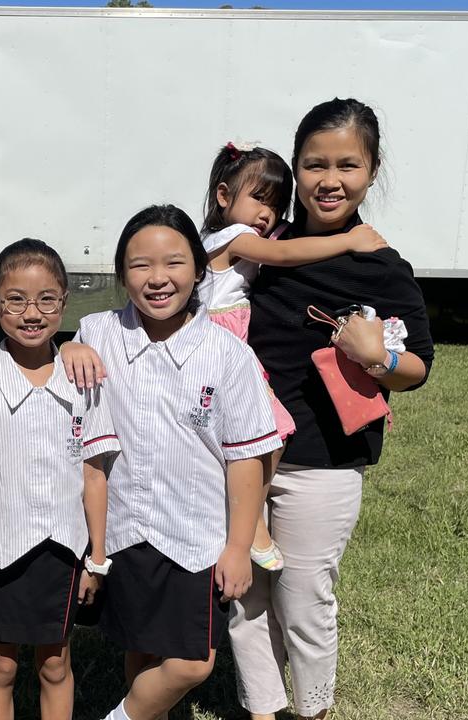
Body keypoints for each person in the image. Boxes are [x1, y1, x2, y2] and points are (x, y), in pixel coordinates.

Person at [229, 98, 434, 720]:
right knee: (242, 595)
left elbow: (419, 366)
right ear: (297, 168)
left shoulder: (382, 265)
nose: (330, 180)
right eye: (315, 164)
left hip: (322, 460)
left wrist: (377, 358)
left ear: (372, 171)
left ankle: (312, 709)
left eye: (348, 164)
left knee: (301, 597)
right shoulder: (267, 247)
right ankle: (262, 708)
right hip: (239, 454)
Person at [63, 205, 282, 720]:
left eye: (174, 263)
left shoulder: (227, 355)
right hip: (123, 527)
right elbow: (60, 365)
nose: (157, 279)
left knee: (191, 662)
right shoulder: (99, 332)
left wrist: (236, 546)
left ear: (200, 269)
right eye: (140, 265)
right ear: (121, 274)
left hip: (195, 534)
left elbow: (247, 458)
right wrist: (66, 350)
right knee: (139, 648)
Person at [196, 142, 389, 571]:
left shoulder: (234, 234)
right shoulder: (235, 237)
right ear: (224, 197)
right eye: (259, 200)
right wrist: (348, 238)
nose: (269, 215)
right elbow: (282, 254)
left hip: (230, 345)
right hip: (225, 346)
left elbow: (283, 237)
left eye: (277, 205)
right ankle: (253, 522)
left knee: (263, 430)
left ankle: (250, 512)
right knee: (277, 427)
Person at [0, 239, 118, 720]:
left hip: (65, 550)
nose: (31, 313)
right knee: (0, 666)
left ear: (64, 302)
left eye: (46, 299)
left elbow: (94, 474)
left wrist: (97, 559)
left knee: (56, 665)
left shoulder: (84, 379)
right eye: (16, 300)